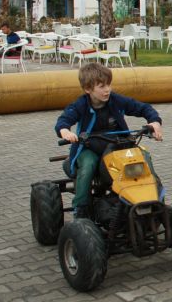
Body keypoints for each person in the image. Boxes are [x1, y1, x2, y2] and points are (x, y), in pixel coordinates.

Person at [55, 63, 164, 219]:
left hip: (117, 146)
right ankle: (81, 208)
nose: (107, 89)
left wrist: (154, 122)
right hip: (89, 148)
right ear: (88, 89)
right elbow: (65, 119)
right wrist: (65, 131)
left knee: (143, 156)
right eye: (101, 86)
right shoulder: (81, 105)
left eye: (108, 85)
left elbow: (142, 107)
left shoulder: (115, 100)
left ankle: (154, 198)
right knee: (88, 166)